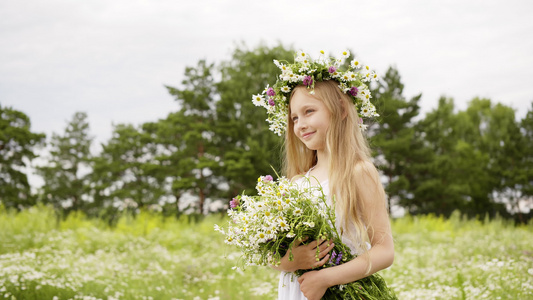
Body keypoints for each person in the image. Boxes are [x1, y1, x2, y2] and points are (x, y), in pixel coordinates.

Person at [254, 51, 394, 300]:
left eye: (309, 111)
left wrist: (326, 278)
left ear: (340, 110)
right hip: (297, 291)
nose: (300, 124)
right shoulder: (297, 183)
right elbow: (273, 254)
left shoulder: (358, 172)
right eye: (294, 118)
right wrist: (291, 260)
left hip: (337, 291)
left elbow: (384, 251)